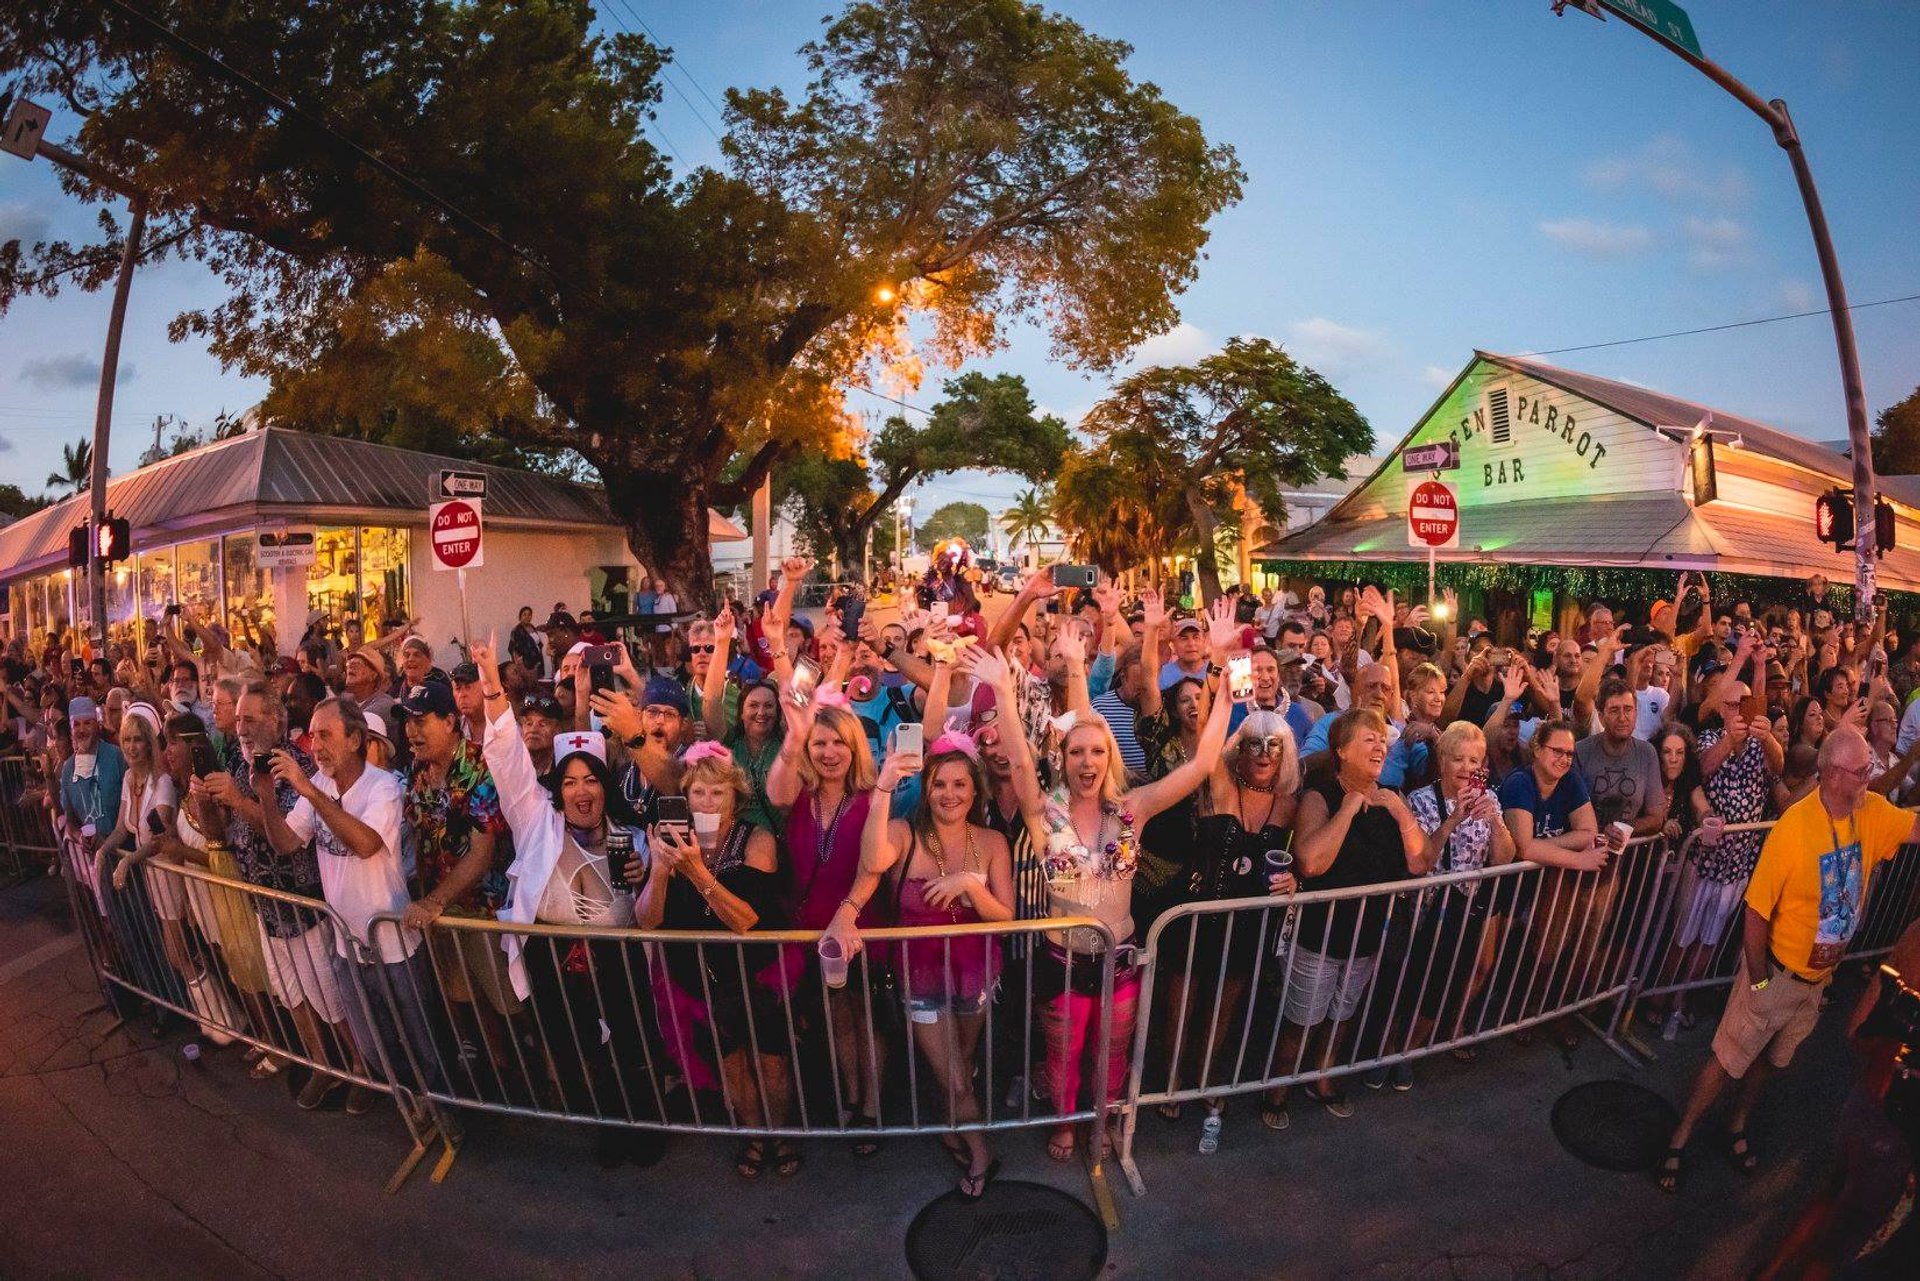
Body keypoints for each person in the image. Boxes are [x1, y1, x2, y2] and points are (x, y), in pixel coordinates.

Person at [1660, 727, 1920, 1193]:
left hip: (1816, 983)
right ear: (1835, 774)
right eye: (1863, 772)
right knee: (1726, 1058)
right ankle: (1680, 1137)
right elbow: (1756, 914)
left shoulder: (1873, 813)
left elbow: (1915, 826)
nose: (1870, 779)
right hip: (1775, 974)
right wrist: (1759, 982)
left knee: (1773, 1062)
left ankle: (1736, 1124)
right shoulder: (1794, 829)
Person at [470, 638, 662, 1169]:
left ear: (604, 785)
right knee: (578, 1045)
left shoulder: (631, 834)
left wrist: (643, 874)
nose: (582, 791)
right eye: (570, 781)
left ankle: (645, 1125)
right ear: (558, 787)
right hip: (551, 953)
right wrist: (490, 683)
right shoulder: (536, 820)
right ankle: (605, 1126)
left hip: (619, 957)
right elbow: (506, 758)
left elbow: (648, 903)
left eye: (591, 780)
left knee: (632, 1041)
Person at [855, 730, 1017, 1198]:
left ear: (974, 791)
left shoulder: (991, 843)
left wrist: (972, 885)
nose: (950, 794)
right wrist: (883, 788)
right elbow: (871, 860)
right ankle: (982, 1151)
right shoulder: (905, 835)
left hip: (975, 973)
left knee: (960, 1064)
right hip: (920, 976)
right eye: (940, 784)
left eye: (960, 785)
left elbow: (1005, 918)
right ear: (927, 789)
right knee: (951, 1070)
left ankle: (950, 1123)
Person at [258, 697, 427, 1111]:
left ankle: (440, 1110)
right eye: (313, 735)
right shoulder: (318, 786)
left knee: (421, 1041)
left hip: (393, 944)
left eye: (326, 735)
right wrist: (265, 795)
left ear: (355, 739)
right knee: (373, 1046)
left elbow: (368, 843)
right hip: (347, 946)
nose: (316, 746)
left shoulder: (381, 787)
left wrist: (309, 790)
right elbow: (285, 843)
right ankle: (408, 1106)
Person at [633, 743, 792, 1178]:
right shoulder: (671, 840)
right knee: (731, 1065)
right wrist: (663, 871)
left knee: (770, 1063)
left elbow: (746, 919)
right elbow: (647, 921)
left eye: (717, 793)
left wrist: (698, 873)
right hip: (700, 979)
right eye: (699, 792)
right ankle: (755, 1136)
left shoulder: (756, 840)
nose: (707, 802)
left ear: (735, 798)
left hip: (754, 973)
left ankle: (782, 1136)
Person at [195, 684, 356, 1110]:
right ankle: (323, 1065)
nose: (242, 727)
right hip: (263, 905)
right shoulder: (233, 759)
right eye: (240, 719)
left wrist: (238, 798)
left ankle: (360, 1070)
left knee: (329, 997)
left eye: (251, 719)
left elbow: (289, 835)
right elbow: (221, 832)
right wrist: (207, 803)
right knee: (292, 995)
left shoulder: (296, 765)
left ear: (275, 721)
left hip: (301, 907)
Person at [1263, 709, 1425, 1129]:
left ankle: (1321, 1077)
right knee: (1302, 1019)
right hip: (1319, 934)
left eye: (1382, 739)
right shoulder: (1320, 796)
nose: (1379, 745)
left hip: (1366, 935)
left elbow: (1420, 863)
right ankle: (1277, 1088)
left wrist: (1403, 814)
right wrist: (1351, 807)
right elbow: (1312, 862)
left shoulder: (1393, 798)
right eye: (1368, 738)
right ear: (1340, 750)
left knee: (1341, 1015)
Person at [1156, 708, 1300, 1139]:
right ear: (1240, 749)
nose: (1262, 753)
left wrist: (1296, 877)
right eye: (1253, 743)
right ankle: (1170, 1082)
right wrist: (1229, 701)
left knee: (1224, 1007)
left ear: (1285, 754)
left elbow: (1302, 856)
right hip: (1198, 913)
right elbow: (1205, 744)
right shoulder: (1221, 783)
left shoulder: (1289, 805)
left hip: (1248, 922)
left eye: (1273, 745)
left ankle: (1203, 1078)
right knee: (1180, 1006)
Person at [767, 697, 891, 1152]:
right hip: (814, 934)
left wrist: (849, 910)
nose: (830, 751)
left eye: (840, 742)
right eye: (820, 742)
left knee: (867, 1020)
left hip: (862, 929)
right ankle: (853, 1095)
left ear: (856, 748)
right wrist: (795, 734)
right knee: (836, 1018)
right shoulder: (800, 795)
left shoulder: (870, 799)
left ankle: (873, 1106)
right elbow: (775, 793)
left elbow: (875, 865)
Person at [398, 679, 522, 1093]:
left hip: (486, 911)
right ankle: (497, 1075)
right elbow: (418, 834)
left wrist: (434, 899)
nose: (412, 730)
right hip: (443, 911)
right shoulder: (418, 771)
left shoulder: (479, 768)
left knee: (507, 1002)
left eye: (422, 720)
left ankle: (535, 1078)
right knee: (467, 997)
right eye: (407, 721)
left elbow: (483, 852)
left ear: (451, 721)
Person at [1398, 721, 1517, 1085]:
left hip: (1466, 910)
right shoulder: (1418, 801)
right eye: (1458, 759)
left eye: (1475, 760)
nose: (1467, 768)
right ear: (1442, 760)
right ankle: (1393, 1051)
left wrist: (1495, 821)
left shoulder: (1490, 799)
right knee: (1413, 984)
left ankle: (1414, 1048)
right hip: (1424, 911)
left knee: (1449, 981)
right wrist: (1453, 819)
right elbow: (1420, 860)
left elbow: (1504, 859)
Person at [508, 606, 545, 677]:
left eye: (529, 615)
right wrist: (520, 662)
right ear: (520, 617)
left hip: (536, 660)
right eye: (524, 614)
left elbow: (538, 644)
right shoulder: (517, 631)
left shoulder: (533, 628)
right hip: (526, 662)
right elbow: (512, 648)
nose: (527, 617)